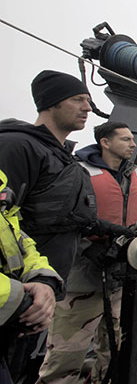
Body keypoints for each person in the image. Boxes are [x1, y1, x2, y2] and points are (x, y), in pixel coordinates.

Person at [36, 122, 137, 383]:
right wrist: (89, 248)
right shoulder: (78, 173)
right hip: (81, 280)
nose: (133, 144)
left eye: (132, 139)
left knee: (115, 349)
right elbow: (60, 218)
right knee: (66, 355)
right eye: (125, 139)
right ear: (105, 142)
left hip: (120, 278)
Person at [0, 70, 98, 382]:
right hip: (17, 300)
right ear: (50, 104)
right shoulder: (17, 147)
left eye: (88, 100)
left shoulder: (61, 158)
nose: (87, 107)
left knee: (29, 368)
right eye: (77, 99)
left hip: (43, 290)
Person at [0, 168, 62, 384]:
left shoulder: (2, 182)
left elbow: (16, 236)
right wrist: (19, 298)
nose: (131, 144)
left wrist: (42, 279)